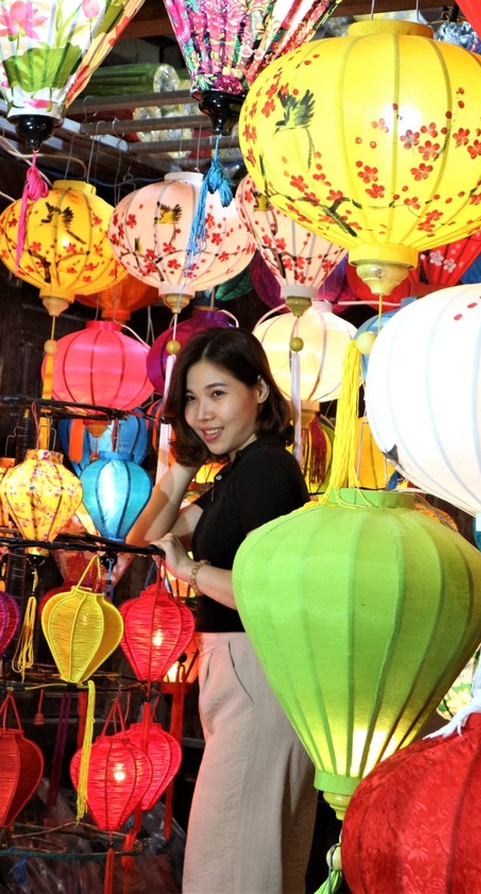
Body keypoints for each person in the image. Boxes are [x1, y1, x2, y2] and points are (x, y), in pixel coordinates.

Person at [126, 327, 317, 894]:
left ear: (258, 390)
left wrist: (191, 573)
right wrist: (184, 463)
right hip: (246, 671)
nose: (201, 412)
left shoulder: (264, 469)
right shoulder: (243, 470)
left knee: (228, 861)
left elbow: (275, 592)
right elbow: (147, 537)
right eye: (189, 398)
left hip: (256, 668)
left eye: (217, 393)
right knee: (251, 856)